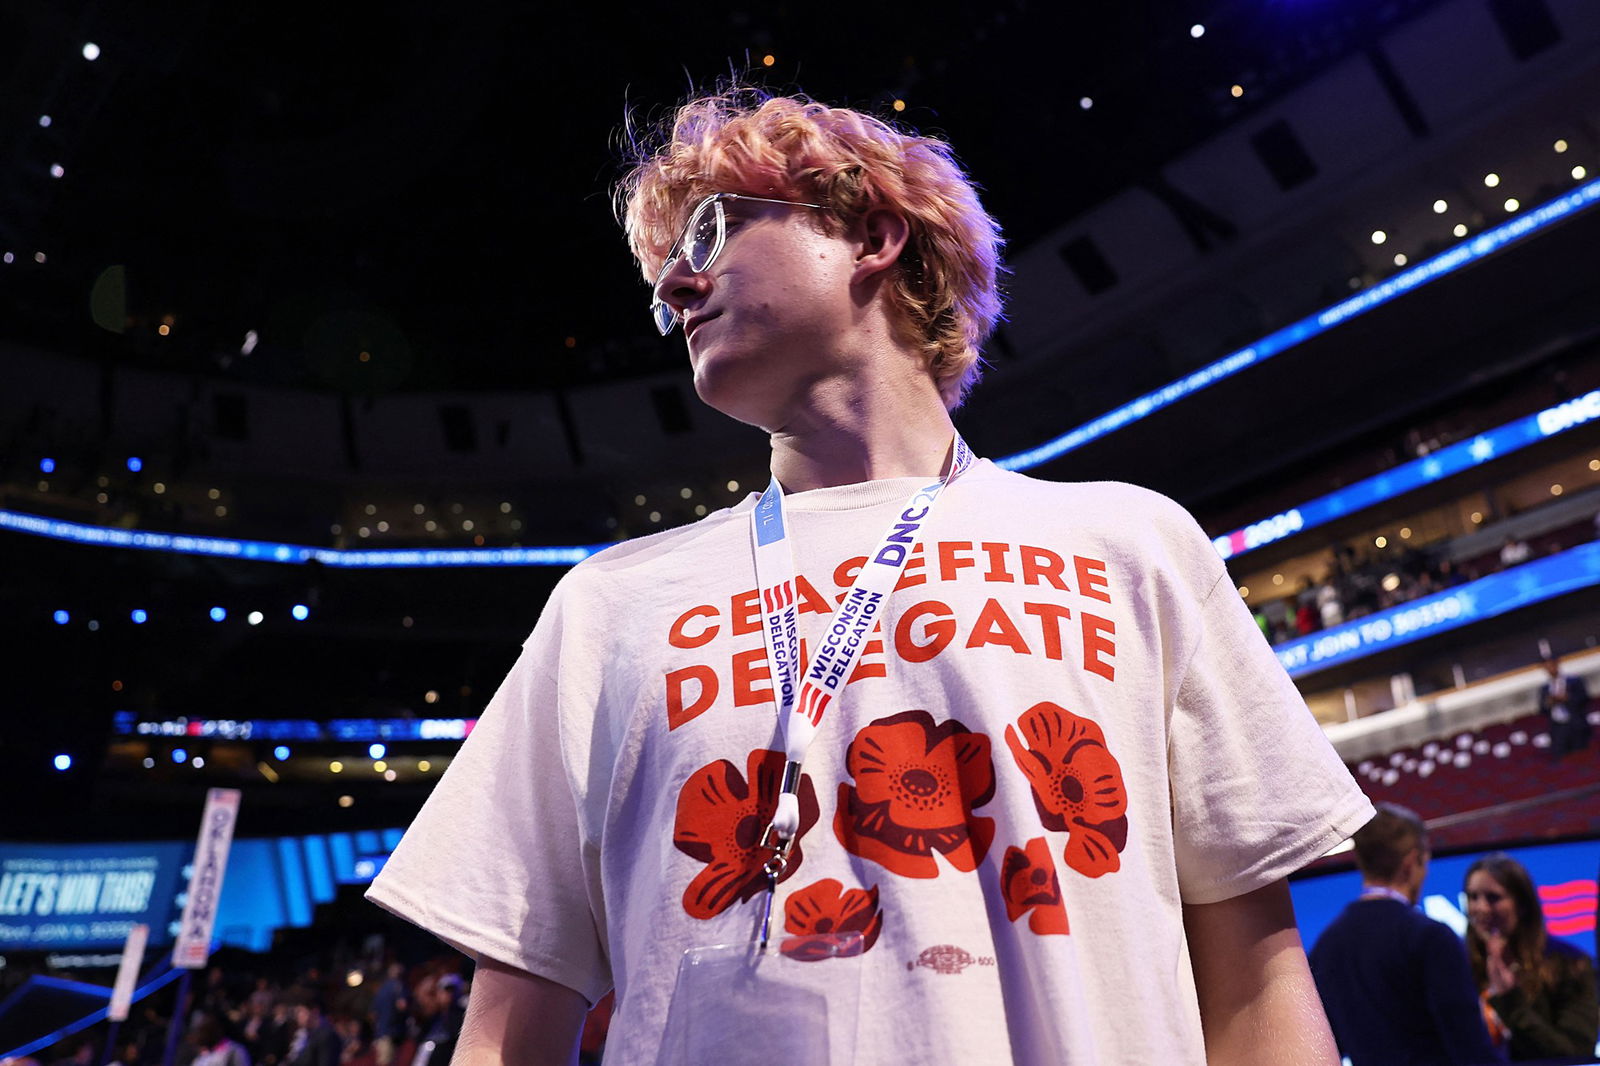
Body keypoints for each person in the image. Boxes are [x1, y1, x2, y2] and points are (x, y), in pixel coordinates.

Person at [367, 89, 1375, 1064]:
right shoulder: (608, 605)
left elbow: (1255, 987)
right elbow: (510, 1026)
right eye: (660, 271)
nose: (674, 288)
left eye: (709, 231)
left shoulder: (1132, 545)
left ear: (870, 234)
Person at [1309, 803, 1501, 1065]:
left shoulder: (1325, 947)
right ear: (1412, 861)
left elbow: (1330, 1046)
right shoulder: (1431, 938)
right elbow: (1471, 1051)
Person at [1465, 853, 1599, 1060]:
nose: (1481, 908)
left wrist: (1509, 1001)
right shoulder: (1458, 964)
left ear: (1523, 904)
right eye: (1473, 897)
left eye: (1493, 898)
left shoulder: (1570, 964)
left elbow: (1576, 1052)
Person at [1536, 655, 1592, 758]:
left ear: (1557, 664)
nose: (1550, 669)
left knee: (1581, 756)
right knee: (1561, 758)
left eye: (1551, 665)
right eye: (1546, 667)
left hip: (1576, 726)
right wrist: (1549, 703)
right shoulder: (1544, 688)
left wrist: (1567, 698)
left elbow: (1584, 700)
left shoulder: (1574, 681)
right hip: (1558, 729)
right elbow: (1542, 710)